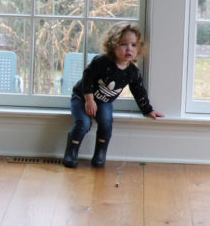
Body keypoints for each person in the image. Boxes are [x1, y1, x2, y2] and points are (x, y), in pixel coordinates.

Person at [62, 24, 164, 169]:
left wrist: (148, 110)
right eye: (123, 44)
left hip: (104, 102)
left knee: (106, 123)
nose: (129, 49)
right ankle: (71, 152)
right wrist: (89, 100)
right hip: (82, 98)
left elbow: (139, 91)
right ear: (112, 46)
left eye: (133, 45)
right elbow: (87, 78)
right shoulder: (102, 62)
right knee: (84, 123)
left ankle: (100, 153)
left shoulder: (132, 72)